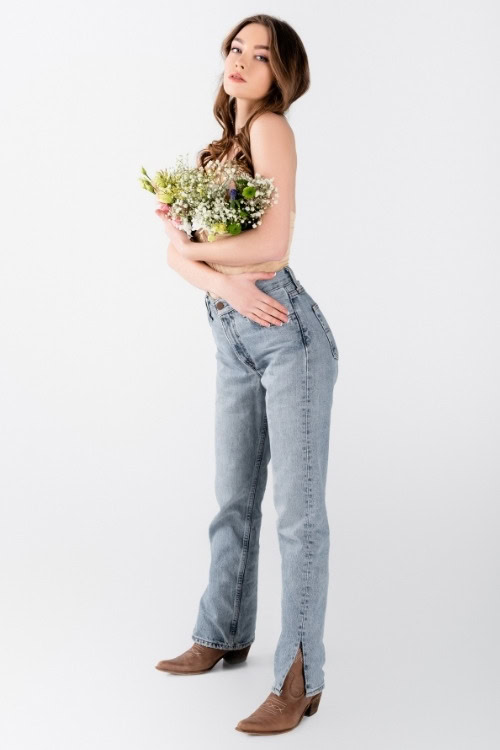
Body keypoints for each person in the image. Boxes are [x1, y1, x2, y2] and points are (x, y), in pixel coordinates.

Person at [154, 14, 340, 735]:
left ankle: (300, 676)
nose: (242, 61)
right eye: (236, 48)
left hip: (287, 336)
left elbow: (274, 240)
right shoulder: (220, 148)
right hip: (236, 328)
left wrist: (205, 261)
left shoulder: (269, 128)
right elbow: (173, 255)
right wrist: (225, 285)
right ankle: (224, 631)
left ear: (279, 76)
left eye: (260, 55)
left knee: (297, 518)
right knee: (232, 498)